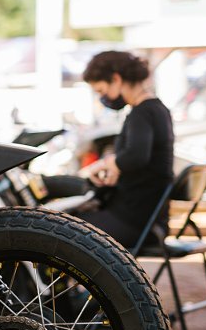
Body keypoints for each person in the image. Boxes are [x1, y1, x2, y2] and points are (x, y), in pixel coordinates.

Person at [74, 50, 174, 249]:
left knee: (61, 232)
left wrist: (107, 163)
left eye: (102, 91)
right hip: (149, 219)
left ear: (116, 79)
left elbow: (136, 156)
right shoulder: (156, 109)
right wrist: (115, 167)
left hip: (135, 221)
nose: (103, 99)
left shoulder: (142, 113)